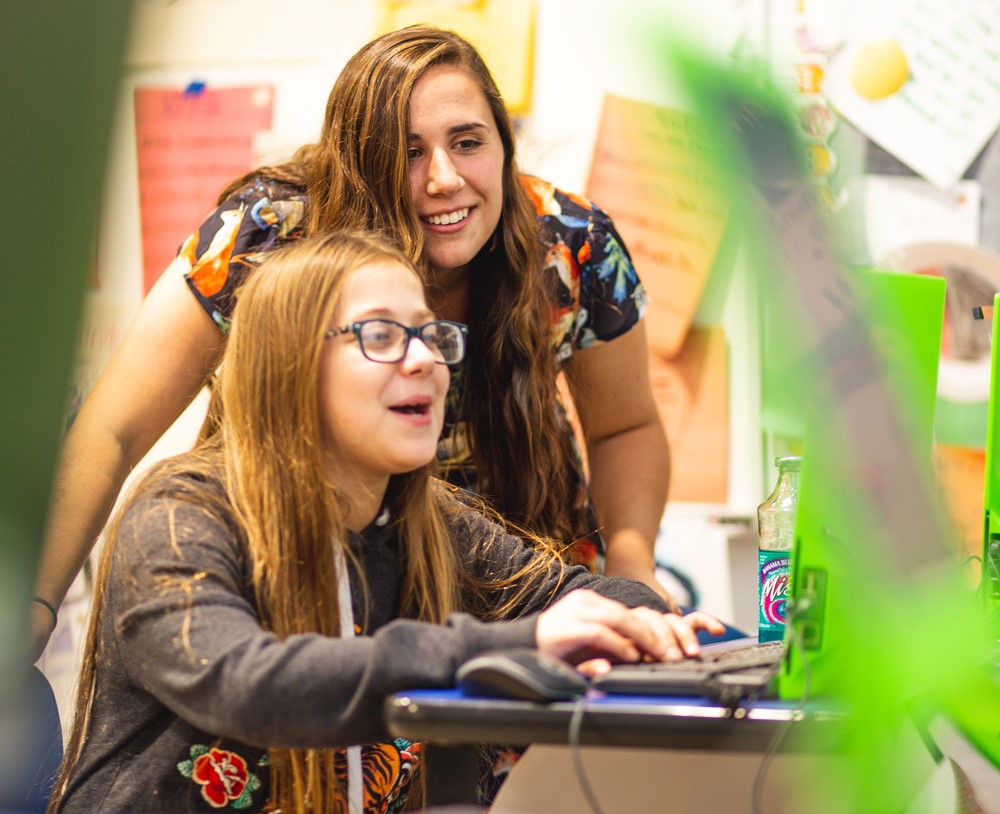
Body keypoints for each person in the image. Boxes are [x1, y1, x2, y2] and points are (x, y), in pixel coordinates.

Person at [29, 24, 672, 660]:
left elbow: (626, 426)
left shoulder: (570, 242)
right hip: (317, 590)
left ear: (506, 146)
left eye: (468, 141)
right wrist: (33, 608)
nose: (444, 178)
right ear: (360, 159)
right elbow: (112, 429)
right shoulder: (272, 234)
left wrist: (634, 564)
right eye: (407, 150)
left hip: (520, 584)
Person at [45, 231, 722, 814]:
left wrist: (650, 621)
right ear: (288, 364)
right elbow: (250, 684)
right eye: (380, 335)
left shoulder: (427, 520)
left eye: (431, 334)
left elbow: (596, 598)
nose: (426, 359)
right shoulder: (179, 515)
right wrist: (522, 644)